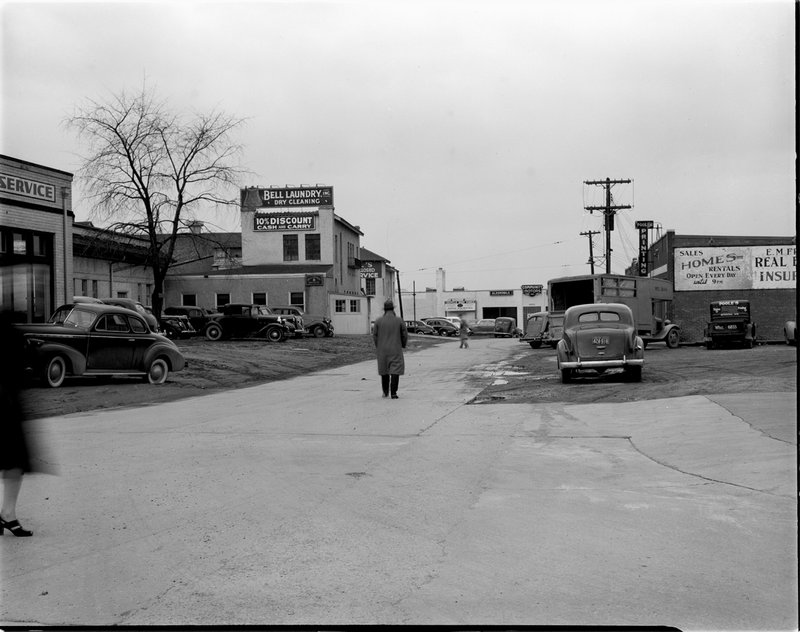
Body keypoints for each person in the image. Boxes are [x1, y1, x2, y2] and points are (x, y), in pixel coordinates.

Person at [0, 311, 34, 537]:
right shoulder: (8, 330)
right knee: (14, 459)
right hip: (6, 401)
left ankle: (6, 513)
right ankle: (7, 513)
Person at [372, 299, 408, 399]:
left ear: (384, 310)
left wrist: (378, 346)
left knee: (384, 370)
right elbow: (404, 334)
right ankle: (393, 392)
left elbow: (374, 335)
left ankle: (385, 391)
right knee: (395, 370)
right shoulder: (399, 320)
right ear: (393, 309)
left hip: (382, 350)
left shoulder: (378, 321)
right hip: (395, 348)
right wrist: (403, 344)